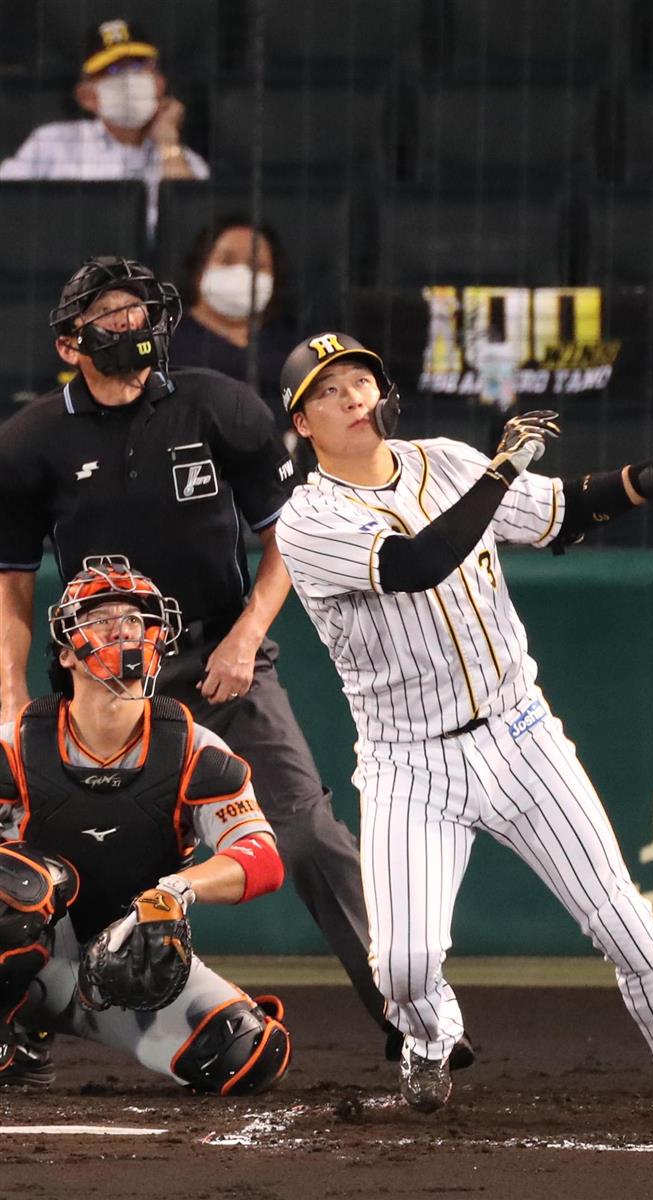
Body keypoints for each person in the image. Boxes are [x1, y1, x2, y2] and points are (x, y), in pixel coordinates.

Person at [274, 330, 653, 1127]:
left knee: (623, 920)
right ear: (301, 423)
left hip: (519, 732)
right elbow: (416, 562)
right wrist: (499, 473)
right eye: (327, 390)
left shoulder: (447, 460)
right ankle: (430, 1037)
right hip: (410, 763)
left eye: (361, 380)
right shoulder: (306, 520)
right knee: (404, 966)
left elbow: (563, 513)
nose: (352, 396)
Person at [0, 256, 399, 1063]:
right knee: (39, 871)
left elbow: (286, 540)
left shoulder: (220, 404)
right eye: (112, 314)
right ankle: (23, 1016)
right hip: (99, 687)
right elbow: (10, 588)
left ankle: (412, 1017)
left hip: (220, 660)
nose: (133, 325)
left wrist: (248, 636)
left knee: (308, 836)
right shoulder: (31, 439)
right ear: (71, 342)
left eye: (140, 310)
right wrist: (10, 698)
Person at [0, 556, 290, 1093]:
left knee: (246, 1053)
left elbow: (262, 859)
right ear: (66, 651)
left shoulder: (194, 749)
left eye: (135, 618)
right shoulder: (15, 745)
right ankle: (17, 1034)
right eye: (102, 617)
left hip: (129, 957)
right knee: (18, 889)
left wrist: (176, 891)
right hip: (33, 950)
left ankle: (69, 1010)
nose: (123, 628)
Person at [0, 17, 208, 233]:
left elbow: (196, 234)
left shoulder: (183, 161)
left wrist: (168, 143)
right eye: (113, 70)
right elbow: (6, 206)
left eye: (138, 66)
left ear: (160, 84)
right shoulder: (51, 143)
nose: (129, 79)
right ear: (87, 97)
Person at [168, 216, 293, 437]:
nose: (241, 272)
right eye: (227, 260)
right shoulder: (168, 340)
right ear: (199, 270)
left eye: (257, 265)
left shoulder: (290, 346)